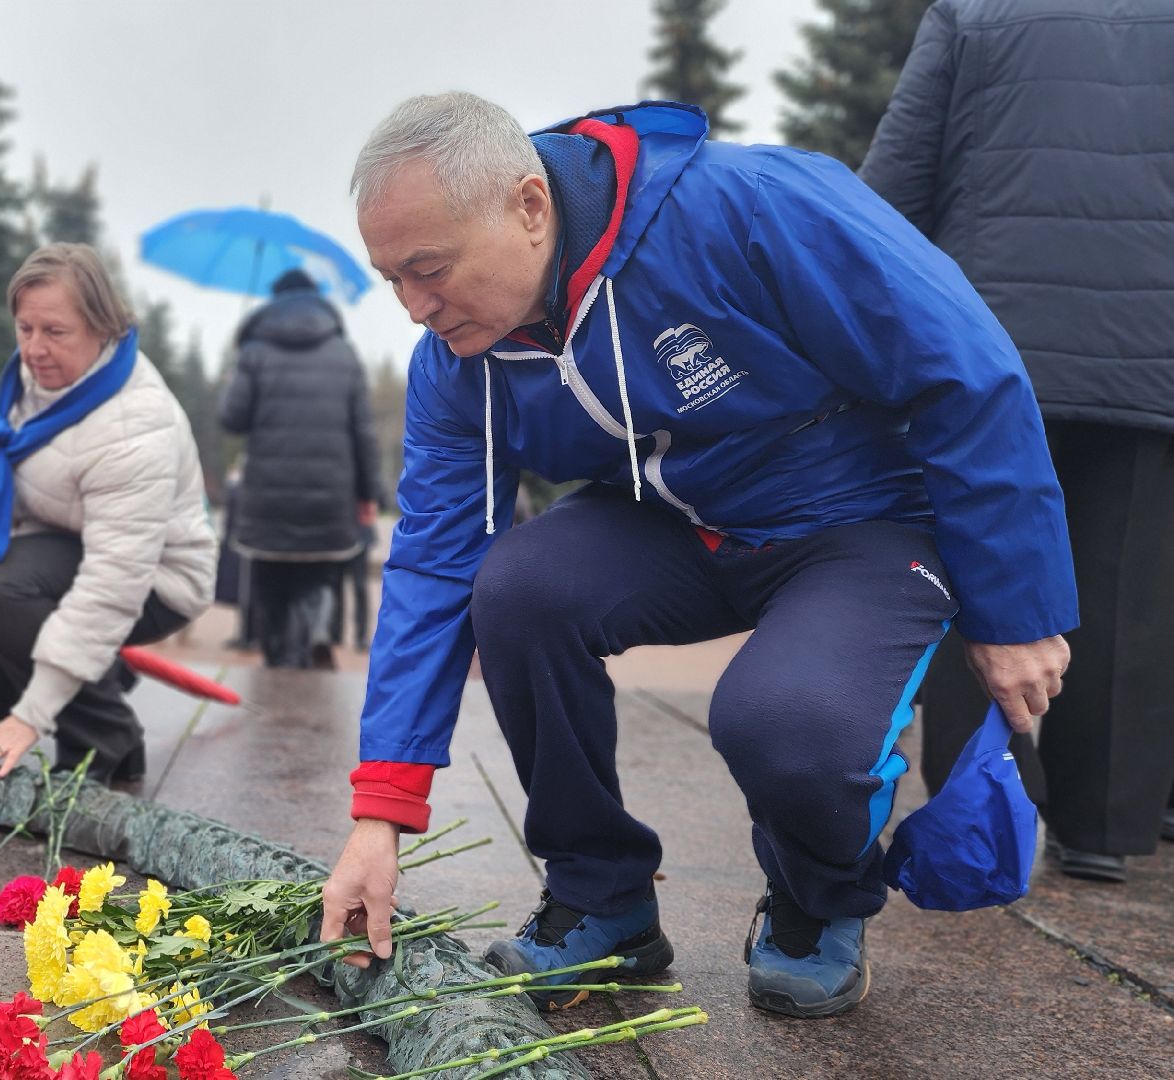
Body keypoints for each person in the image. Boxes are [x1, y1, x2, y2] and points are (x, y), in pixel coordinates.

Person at [318, 93, 1076, 1020]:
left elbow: (966, 369)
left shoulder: (751, 207)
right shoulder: (459, 361)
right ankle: (602, 897)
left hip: (859, 522)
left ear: (529, 206)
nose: (414, 309)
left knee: (782, 721)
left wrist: (1016, 609)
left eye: (430, 271)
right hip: (674, 523)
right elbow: (436, 560)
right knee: (514, 588)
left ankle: (817, 897)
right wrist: (382, 810)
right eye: (391, 279)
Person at [861, 0, 1174, 884]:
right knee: (1131, 584)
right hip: (1153, 346)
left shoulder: (977, 12)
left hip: (987, 346)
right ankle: (1103, 827)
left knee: (981, 562)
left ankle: (981, 818)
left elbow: (894, 184)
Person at [0, 243, 216, 784]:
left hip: (156, 579)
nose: (34, 349)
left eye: (55, 332)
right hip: (65, 549)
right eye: (24, 328)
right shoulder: (30, 381)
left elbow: (114, 581)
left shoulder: (133, 426)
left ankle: (106, 740)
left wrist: (29, 717)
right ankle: (99, 671)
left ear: (103, 328)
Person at [219, 269, 381, 669]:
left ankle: (278, 661)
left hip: (268, 497)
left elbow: (232, 420)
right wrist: (368, 495)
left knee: (271, 584)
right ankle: (314, 635)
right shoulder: (344, 354)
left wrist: (233, 378)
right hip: (330, 497)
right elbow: (363, 433)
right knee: (319, 576)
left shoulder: (254, 352)